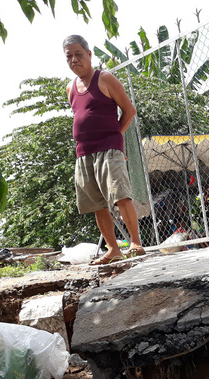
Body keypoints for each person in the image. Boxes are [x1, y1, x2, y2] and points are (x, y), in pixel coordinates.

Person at [63, 35, 145, 265]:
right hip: (83, 153)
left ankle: (136, 243)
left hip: (109, 148)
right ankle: (113, 249)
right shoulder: (70, 88)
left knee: (120, 195)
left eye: (79, 54)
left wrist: (115, 137)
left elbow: (129, 111)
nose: (74, 60)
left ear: (89, 55)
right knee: (96, 204)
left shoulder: (105, 79)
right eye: (69, 56)